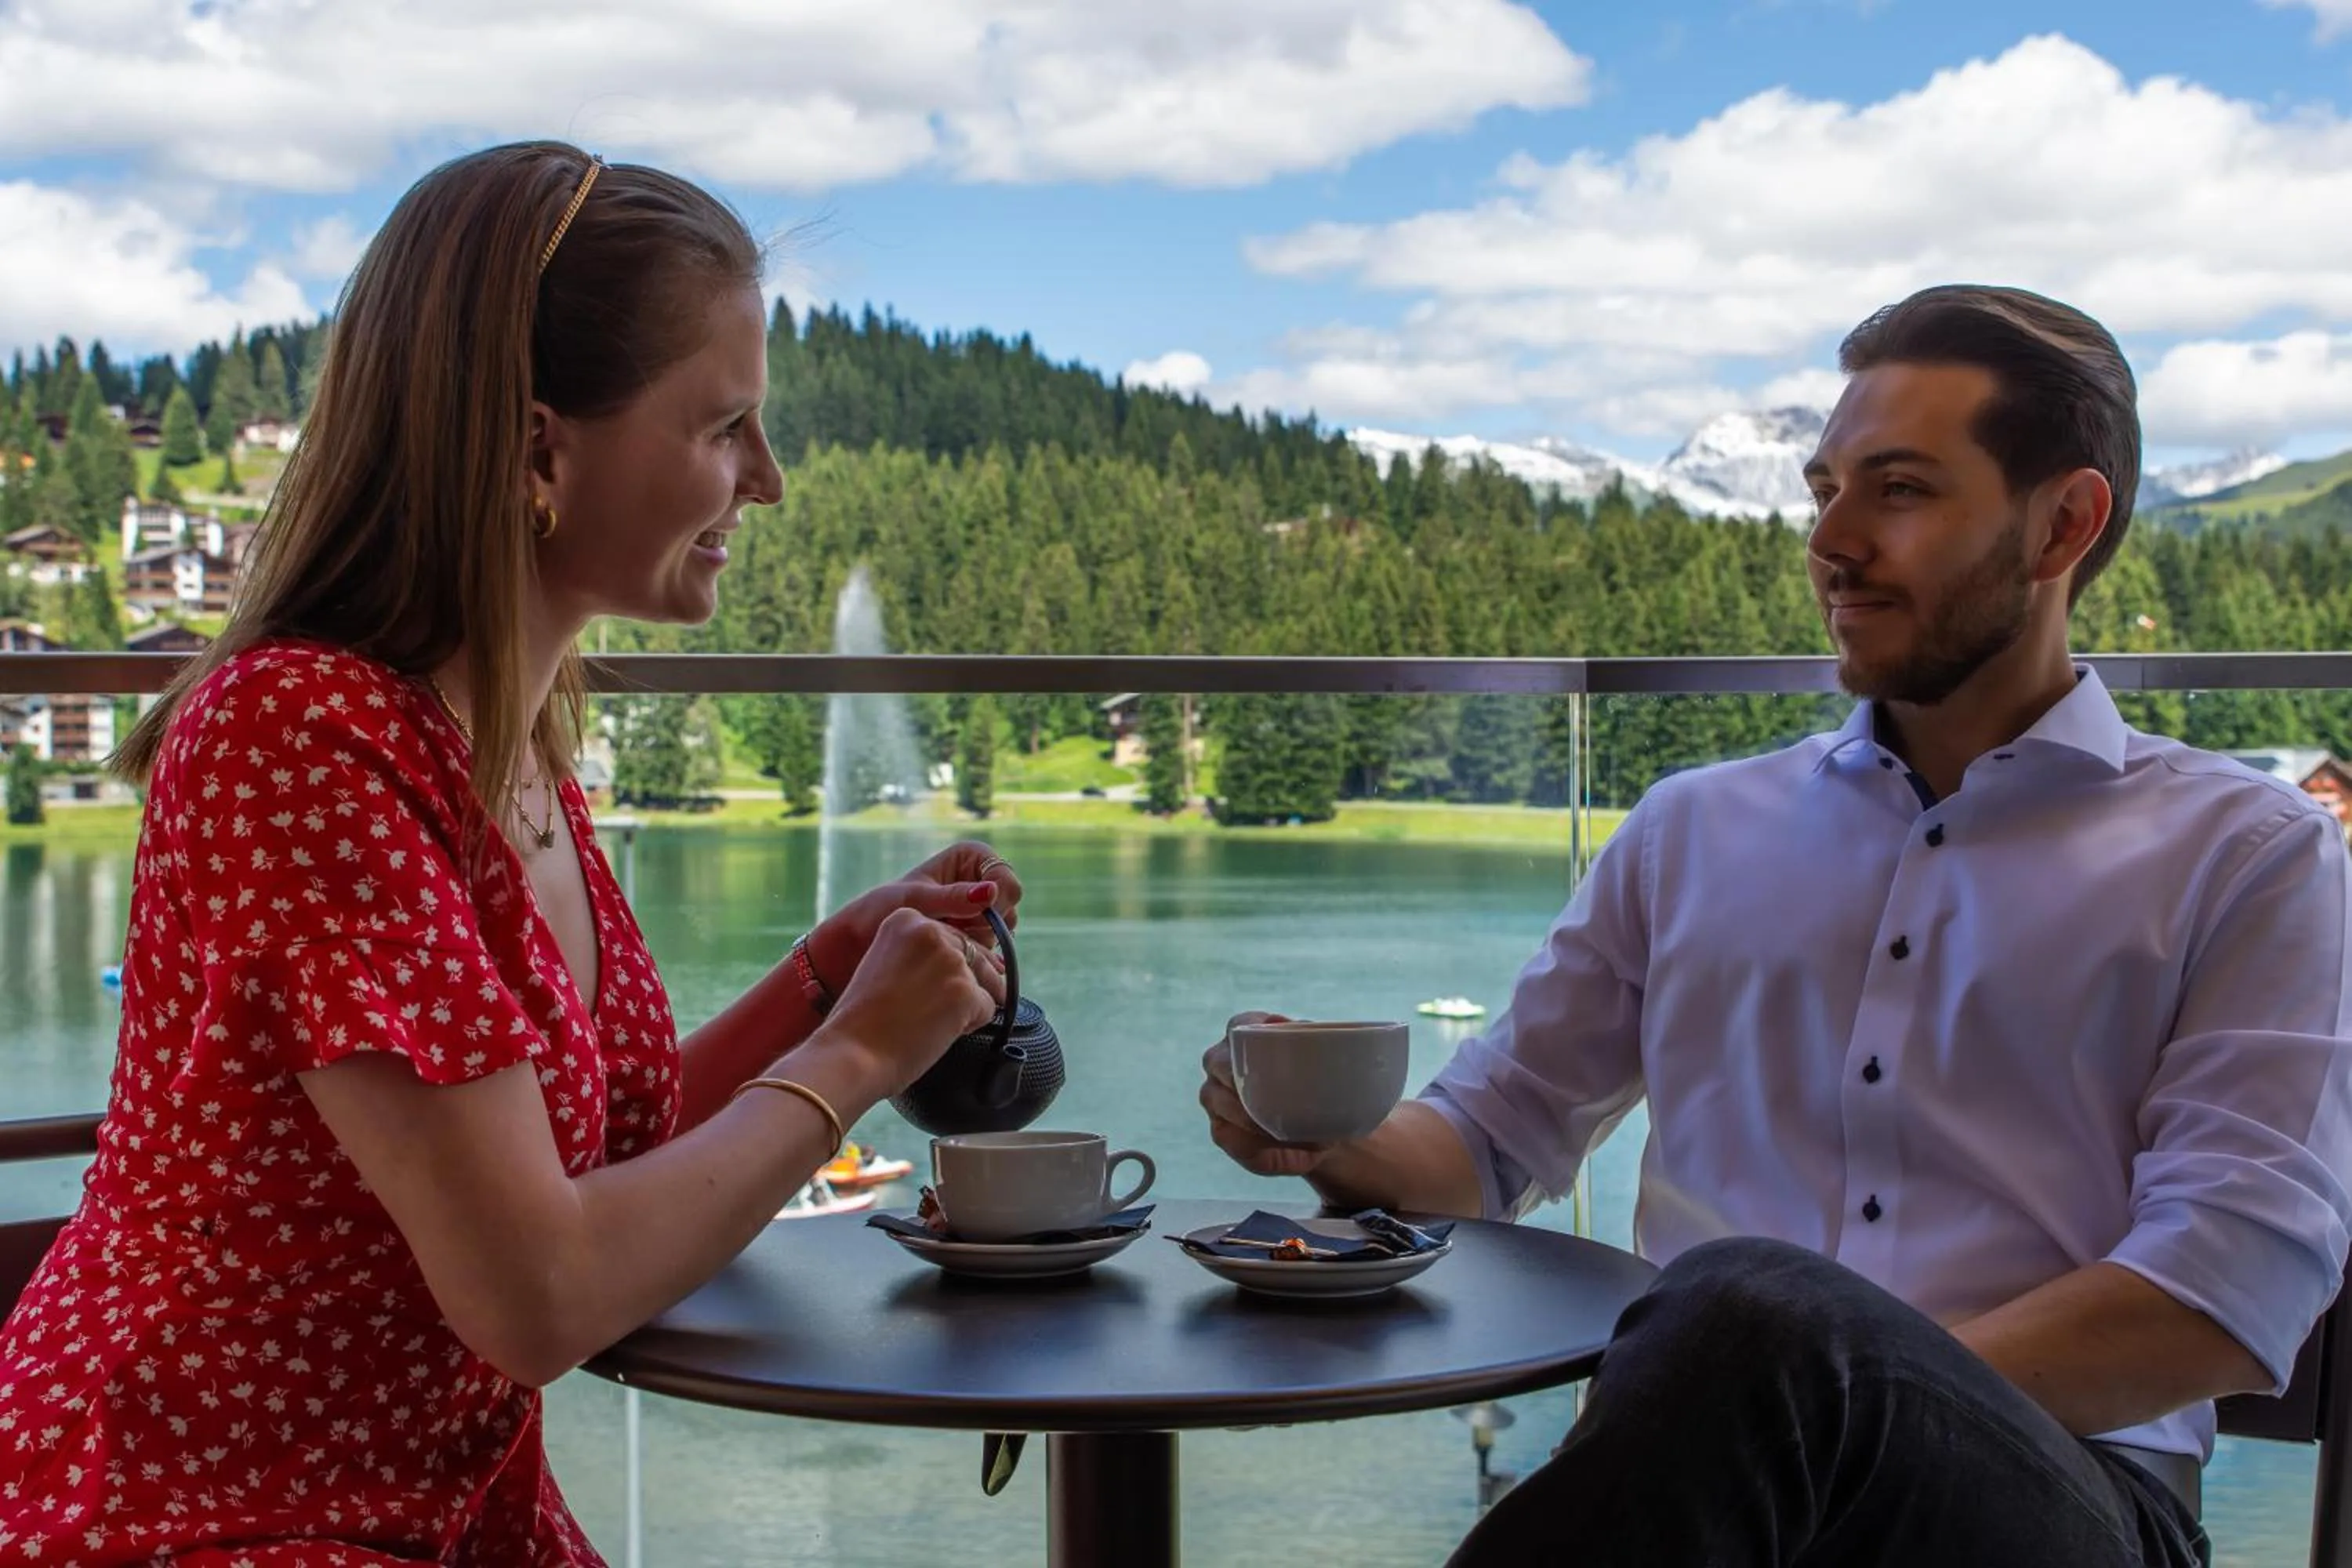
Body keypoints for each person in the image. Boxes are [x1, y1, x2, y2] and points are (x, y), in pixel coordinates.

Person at [1200, 285, 2352, 1567]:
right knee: (1747, 1321)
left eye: (1901, 491)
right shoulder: (1693, 827)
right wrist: (1321, 1136)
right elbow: (1485, 1140)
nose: (1833, 541)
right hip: (1704, 1505)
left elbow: (2228, 1286)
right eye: (1825, 492)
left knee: (1748, 1309)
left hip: (2070, 1507)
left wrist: (1831, 1404)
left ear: (2062, 525)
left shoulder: (2248, 852)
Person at [0, 141, 1021, 1564]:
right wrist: (857, 1061)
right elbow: (538, 1292)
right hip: (209, 1511)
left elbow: (606, 1176)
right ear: (542, 446)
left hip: (438, 1509)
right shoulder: (297, 734)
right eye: (725, 427)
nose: (769, 482)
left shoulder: (509, 748)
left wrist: (821, 984)